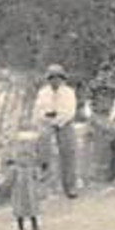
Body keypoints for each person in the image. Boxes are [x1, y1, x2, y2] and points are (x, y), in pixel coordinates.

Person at [33, 64, 81, 198]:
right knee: (43, 151)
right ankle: (43, 187)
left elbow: (69, 112)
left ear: (62, 79)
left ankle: (70, 187)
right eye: (52, 78)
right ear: (48, 79)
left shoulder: (68, 92)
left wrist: (57, 121)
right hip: (47, 124)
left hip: (64, 124)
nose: (55, 81)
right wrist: (45, 120)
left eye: (58, 78)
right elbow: (38, 110)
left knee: (69, 153)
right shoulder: (43, 93)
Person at [87, 79, 115, 183]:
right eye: (100, 90)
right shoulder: (91, 103)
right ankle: (110, 173)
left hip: (108, 123)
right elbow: (90, 115)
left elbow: (114, 112)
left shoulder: (112, 101)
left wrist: (109, 122)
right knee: (112, 141)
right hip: (98, 124)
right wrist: (103, 124)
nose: (103, 92)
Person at [5, 132, 44, 230]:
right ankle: (21, 229)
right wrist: (5, 186)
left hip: (30, 192)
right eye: (22, 156)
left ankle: (34, 226)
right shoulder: (15, 169)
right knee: (19, 212)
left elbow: (39, 177)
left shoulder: (32, 168)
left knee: (33, 210)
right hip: (19, 193)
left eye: (27, 156)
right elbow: (9, 179)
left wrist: (40, 178)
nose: (24, 159)